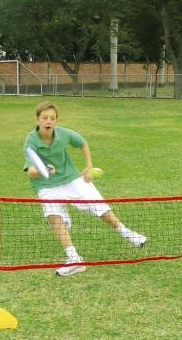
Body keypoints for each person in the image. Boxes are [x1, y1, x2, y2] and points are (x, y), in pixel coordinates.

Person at [23, 101, 146, 276]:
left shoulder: (63, 134)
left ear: (56, 121)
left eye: (52, 118)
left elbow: (82, 143)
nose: (48, 121)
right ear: (38, 120)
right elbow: (31, 171)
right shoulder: (30, 141)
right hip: (46, 186)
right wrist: (44, 171)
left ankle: (129, 235)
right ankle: (74, 259)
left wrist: (88, 166)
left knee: (100, 208)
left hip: (72, 179)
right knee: (53, 217)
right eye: (45, 118)